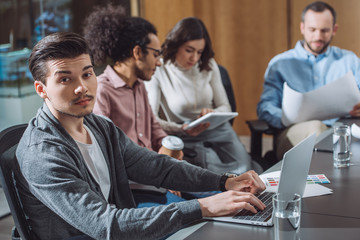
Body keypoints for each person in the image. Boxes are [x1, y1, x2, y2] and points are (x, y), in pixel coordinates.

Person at [15, 32, 266, 240]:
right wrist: (203, 208)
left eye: (87, 74)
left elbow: (157, 167)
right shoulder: (42, 153)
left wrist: (223, 182)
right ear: (42, 89)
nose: (81, 87)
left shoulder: (98, 126)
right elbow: (107, 225)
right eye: (65, 79)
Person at [82, 4, 185, 206]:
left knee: (218, 192)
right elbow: (108, 154)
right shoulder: (102, 91)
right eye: (156, 54)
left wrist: (170, 156)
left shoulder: (139, 87)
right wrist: (161, 172)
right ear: (138, 52)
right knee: (190, 212)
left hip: (154, 178)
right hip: (131, 190)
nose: (159, 62)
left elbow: (156, 132)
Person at [145, 17, 262, 175]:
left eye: (199, 52)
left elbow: (225, 106)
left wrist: (213, 113)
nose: (194, 58)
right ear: (176, 45)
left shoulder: (208, 64)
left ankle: (253, 167)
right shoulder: (159, 68)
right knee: (213, 171)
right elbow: (152, 119)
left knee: (244, 168)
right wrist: (180, 128)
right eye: (189, 50)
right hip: (184, 132)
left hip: (216, 128)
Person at [257, 1, 360, 160]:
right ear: (302, 28)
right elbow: (266, 107)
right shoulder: (280, 64)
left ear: (334, 30)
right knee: (315, 128)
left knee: (340, 137)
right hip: (295, 132)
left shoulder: (350, 61)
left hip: (342, 131)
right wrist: (286, 117)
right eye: (312, 30)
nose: (318, 36)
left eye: (324, 30)